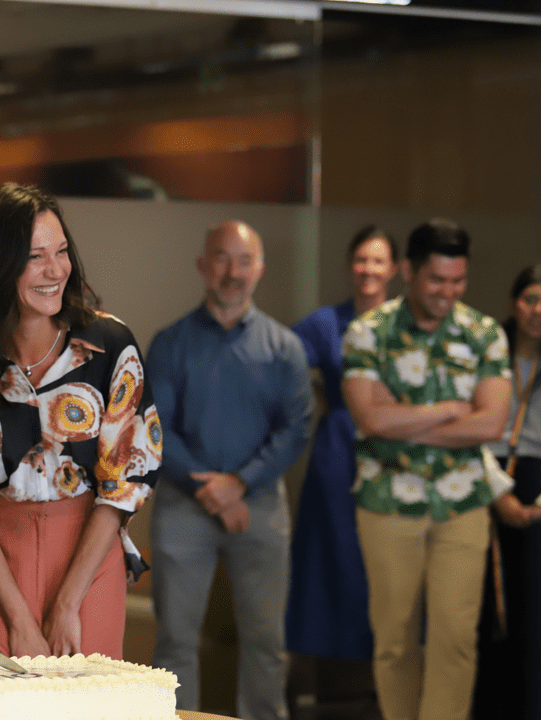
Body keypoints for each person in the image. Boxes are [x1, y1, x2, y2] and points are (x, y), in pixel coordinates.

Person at [0, 183, 160, 659]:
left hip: (89, 557)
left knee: (90, 696)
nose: (56, 270)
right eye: (35, 257)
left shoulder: (110, 345)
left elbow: (125, 481)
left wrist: (67, 604)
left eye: (61, 251)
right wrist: (18, 618)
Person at [342, 217, 514, 720]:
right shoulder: (368, 332)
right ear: (409, 272)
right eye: (437, 280)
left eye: (458, 281)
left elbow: (491, 423)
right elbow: (369, 418)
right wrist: (452, 410)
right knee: (394, 639)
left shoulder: (484, 333)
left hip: (463, 504)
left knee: (455, 639)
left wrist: (404, 421)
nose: (448, 292)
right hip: (388, 501)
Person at [147, 220, 314, 720]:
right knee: (175, 640)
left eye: (244, 261)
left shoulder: (284, 347)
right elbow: (155, 429)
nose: (232, 272)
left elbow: (296, 429)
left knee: (266, 642)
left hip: (258, 505)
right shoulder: (170, 343)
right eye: (221, 258)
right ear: (203, 265)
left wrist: (239, 484)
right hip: (183, 505)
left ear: (259, 269)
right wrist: (213, 492)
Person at [286, 226, 399, 662]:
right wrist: (319, 397)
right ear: (351, 266)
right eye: (362, 259)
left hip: (396, 450)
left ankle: (389, 663)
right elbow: (280, 361)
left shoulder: (407, 324)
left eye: (378, 260)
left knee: (392, 556)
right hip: (339, 449)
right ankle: (331, 664)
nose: (369, 268)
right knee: (334, 551)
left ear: (394, 269)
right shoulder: (326, 322)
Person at [473, 266, 541, 720]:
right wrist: (498, 493)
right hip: (486, 481)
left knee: (537, 616)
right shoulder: (486, 353)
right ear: (514, 302)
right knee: (485, 614)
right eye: (530, 300)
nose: (538, 311)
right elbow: (469, 428)